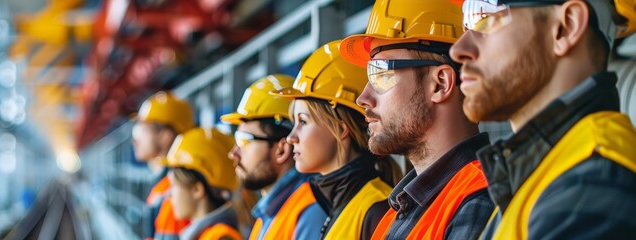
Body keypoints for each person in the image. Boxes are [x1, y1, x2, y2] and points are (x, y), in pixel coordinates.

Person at [449, 0, 636, 238]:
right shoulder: (540, 174)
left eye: (485, 18)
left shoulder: (592, 183)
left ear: (565, 27)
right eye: (467, 23)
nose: (457, 49)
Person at [339, 0, 496, 239]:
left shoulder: (478, 200)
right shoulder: (398, 209)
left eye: (381, 74)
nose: (363, 98)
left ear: (440, 84)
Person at [272, 40, 402, 240]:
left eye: (303, 122)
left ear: (341, 129)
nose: (291, 138)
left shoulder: (376, 210)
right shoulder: (340, 203)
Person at [221, 74, 327, 239]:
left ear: (282, 150)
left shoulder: (309, 210)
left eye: (244, 140)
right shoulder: (266, 215)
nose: (233, 153)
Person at [131, 91, 194, 239]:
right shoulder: (163, 185)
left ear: (165, 136)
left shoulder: (176, 190)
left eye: (142, 130)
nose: (134, 140)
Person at [164, 127, 242, 240]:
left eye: (174, 185)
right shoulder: (207, 234)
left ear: (197, 190)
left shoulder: (220, 237)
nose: (169, 194)